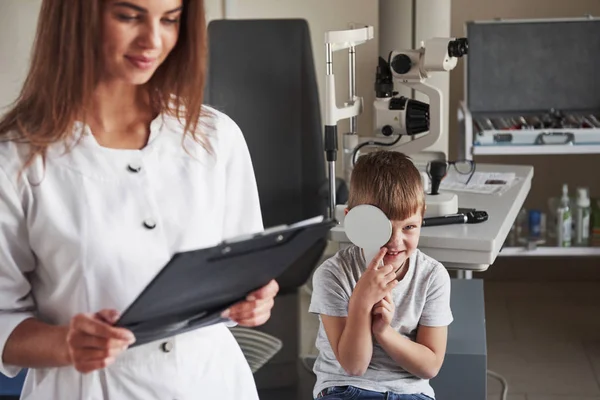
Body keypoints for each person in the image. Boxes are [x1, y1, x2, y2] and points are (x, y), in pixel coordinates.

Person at [0, 0, 279, 399]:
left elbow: (243, 275)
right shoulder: (16, 159)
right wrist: (67, 344)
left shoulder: (216, 137)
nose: (153, 40)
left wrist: (253, 301)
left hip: (212, 384)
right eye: (129, 16)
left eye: (170, 20)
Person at [309, 151, 453, 400]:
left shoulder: (432, 276)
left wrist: (384, 332)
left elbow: (430, 366)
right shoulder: (333, 275)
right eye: (383, 227)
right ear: (352, 219)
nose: (396, 241)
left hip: (411, 392)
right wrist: (361, 303)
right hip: (344, 388)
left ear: (422, 217)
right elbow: (354, 367)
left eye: (409, 227)